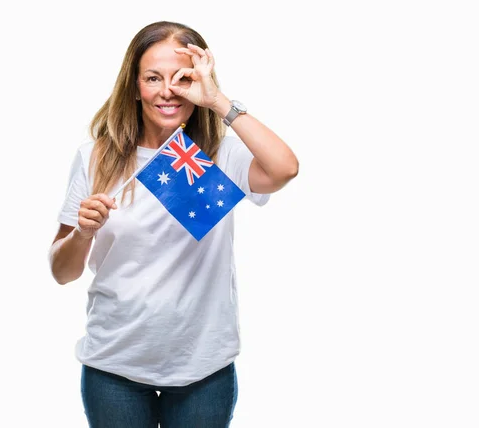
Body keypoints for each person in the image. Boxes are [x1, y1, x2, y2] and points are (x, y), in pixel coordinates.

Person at [48, 20, 298, 428]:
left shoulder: (219, 153)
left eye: (182, 78)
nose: (167, 91)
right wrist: (83, 233)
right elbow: (62, 272)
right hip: (115, 365)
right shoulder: (96, 157)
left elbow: (286, 168)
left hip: (202, 366)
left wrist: (219, 102)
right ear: (134, 84)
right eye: (153, 78)